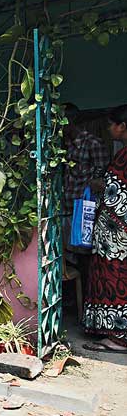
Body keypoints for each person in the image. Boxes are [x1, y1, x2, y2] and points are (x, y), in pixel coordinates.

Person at [83, 105, 127, 353]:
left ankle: (118, 337)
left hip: (117, 234)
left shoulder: (124, 156)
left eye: (112, 124)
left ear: (122, 126)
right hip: (116, 231)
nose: (109, 129)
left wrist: (97, 183)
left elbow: (115, 191)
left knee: (115, 278)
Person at [63, 103, 109, 215]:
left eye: (60, 120)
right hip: (65, 208)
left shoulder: (93, 144)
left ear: (71, 120)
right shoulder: (66, 144)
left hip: (84, 210)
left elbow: (101, 180)